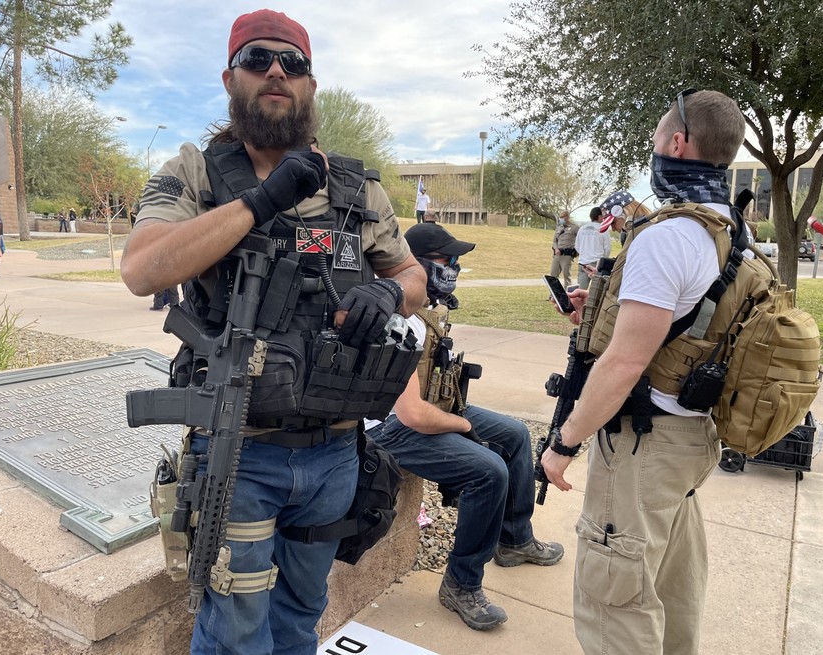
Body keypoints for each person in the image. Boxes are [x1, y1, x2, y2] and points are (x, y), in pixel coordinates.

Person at [119, 10, 426, 655]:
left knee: (300, 616)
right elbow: (143, 269)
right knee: (234, 630)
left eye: (293, 63)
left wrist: (388, 291)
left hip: (336, 450)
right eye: (258, 60)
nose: (277, 73)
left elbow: (417, 276)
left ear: (311, 84)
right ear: (232, 76)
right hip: (241, 448)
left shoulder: (354, 186)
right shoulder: (198, 174)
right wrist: (261, 201)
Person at [541, 90, 747, 655]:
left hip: (644, 444)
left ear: (677, 143)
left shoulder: (668, 235)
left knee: (616, 604)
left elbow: (626, 362)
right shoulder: (731, 228)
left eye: (658, 138)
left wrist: (565, 442)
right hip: (690, 437)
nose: (655, 148)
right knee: (670, 588)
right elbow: (692, 318)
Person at [365, 223, 564, 631]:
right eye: (445, 260)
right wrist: (462, 425)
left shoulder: (426, 313)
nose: (454, 267)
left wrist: (459, 417)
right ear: (415, 264)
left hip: (430, 406)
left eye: (457, 261)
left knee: (514, 434)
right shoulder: (398, 318)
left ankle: (513, 539)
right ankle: (461, 583)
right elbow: (412, 415)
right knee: (487, 471)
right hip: (387, 427)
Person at [574, 206, 611, 289]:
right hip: (597, 264)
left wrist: (585, 254)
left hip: (583, 263)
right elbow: (607, 248)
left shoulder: (582, 229)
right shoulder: (603, 229)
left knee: (581, 291)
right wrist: (603, 260)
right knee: (596, 292)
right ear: (599, 216)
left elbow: (577, 246)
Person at [550, 210, 578, 288]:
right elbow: (554, 241)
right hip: (557, 255)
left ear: (567, 217)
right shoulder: (559, 227)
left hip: (567, 255)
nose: (561, 219)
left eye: (562, 217)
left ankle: (568, 295)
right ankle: (553, 294)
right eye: (560, 217)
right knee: (553, 275)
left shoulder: (574, 227)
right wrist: (556, 249)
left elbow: (580, 239)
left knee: (566, 276)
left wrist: (576, 251)